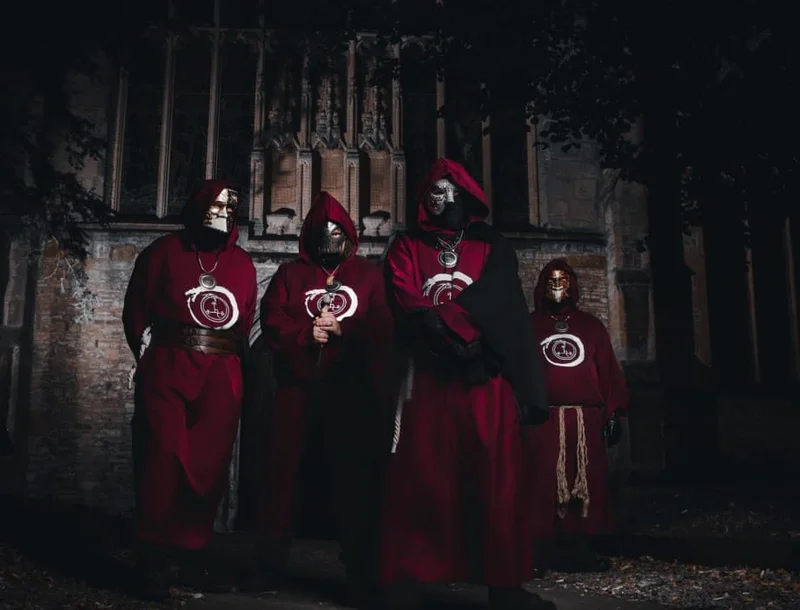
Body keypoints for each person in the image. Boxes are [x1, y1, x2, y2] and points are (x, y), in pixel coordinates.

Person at [379, 158, 555, 610]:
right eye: (436, 191)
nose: (445, 198)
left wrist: (458, 328)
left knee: (497, 479)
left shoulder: (492, 244)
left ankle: (505, 584)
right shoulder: (406, 246)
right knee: (423, 476)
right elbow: (406, 296)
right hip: (429, 379)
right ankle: (410, 579)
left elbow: (499, 298)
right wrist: (440, 333)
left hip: (485, 377)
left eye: (452, 190)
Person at [253, 191, 393, 602]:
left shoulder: (370, 276)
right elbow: (272, 317)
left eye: (337, 233)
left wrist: (343, 331)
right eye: (322, 233)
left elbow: (384, 325)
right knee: (282, 476)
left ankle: (360, 570)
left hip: (349, 396)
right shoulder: (290, 275)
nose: (330, 240)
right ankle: (268, 564)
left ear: (349, 236)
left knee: (355, 481)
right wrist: (304, 333)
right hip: (297, 392)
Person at [122, 179, 257, 600]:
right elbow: (136, 309)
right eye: (217, 206)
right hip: (169, 365)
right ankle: (153, 559)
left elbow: (244, 319)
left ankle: (190, 555)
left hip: (221, 372)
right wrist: (152, 360)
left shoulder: (242, 263)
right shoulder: (162, 253)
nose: (224, 214)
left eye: (231, 207)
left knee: (208, 466)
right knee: (160, 458)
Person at [527, 258, 629, 573]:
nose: (558, 287)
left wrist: (613, 413)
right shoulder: (529, 326)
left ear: (572, 286)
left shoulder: (591, 326)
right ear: (542, 287)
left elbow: (607, 369)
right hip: (543, 422)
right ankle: (542, 550)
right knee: (542, 482)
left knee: (586, 484)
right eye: (552, 281)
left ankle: (580, 548)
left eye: (564, 280)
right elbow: (519, 371)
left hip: (586, 421)